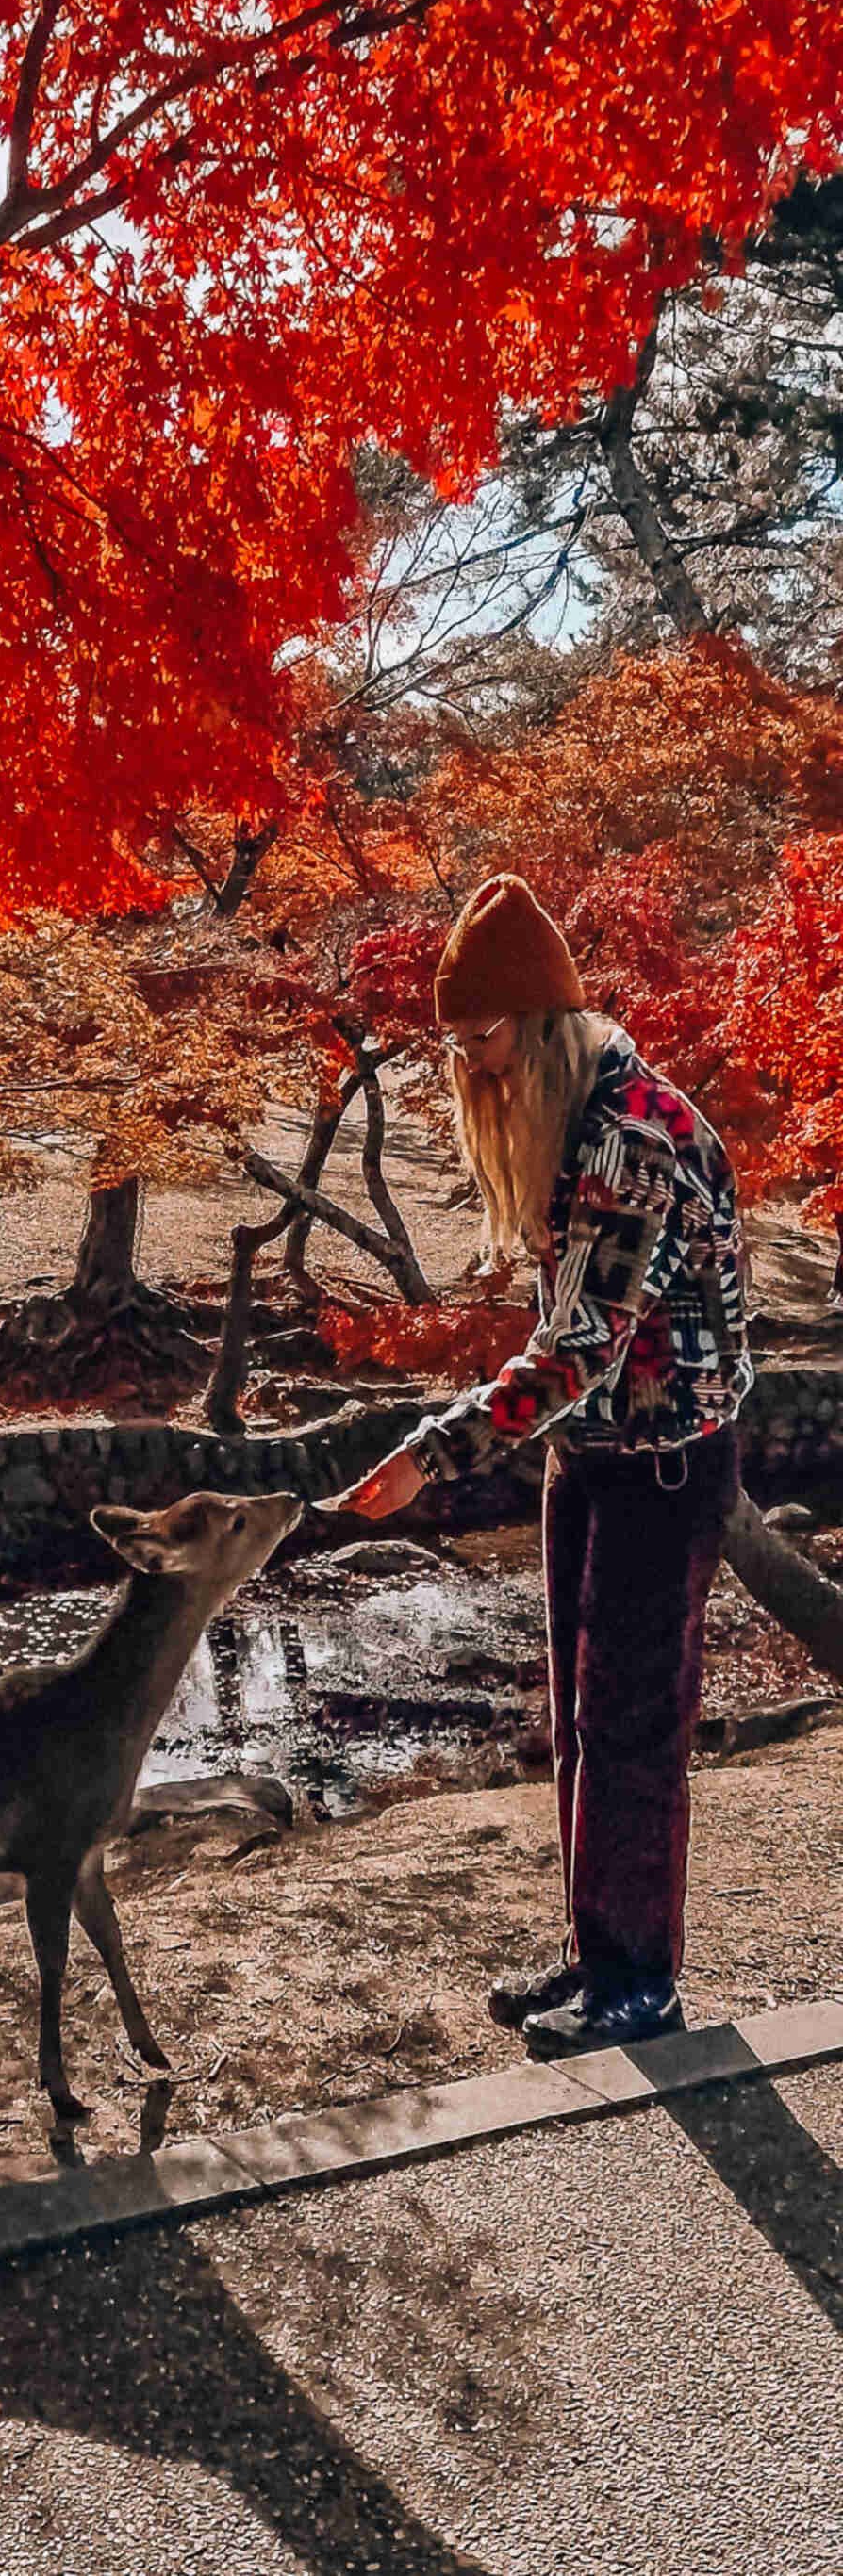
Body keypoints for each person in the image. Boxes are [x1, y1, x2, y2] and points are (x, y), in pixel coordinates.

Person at [330, 873, 752, 2055]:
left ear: (542, 1022)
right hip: (596, 1457)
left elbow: (576, 1345)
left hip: (664, 1471)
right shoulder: (574, 1129)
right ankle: (595, 1950)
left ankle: (642, 1984)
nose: (470, 1065)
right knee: (577, 1721)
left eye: (481, 1036)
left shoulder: (628, 1140)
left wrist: (432, 1455)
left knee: (631, 1729)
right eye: (456, 1041)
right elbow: (570, 1351)